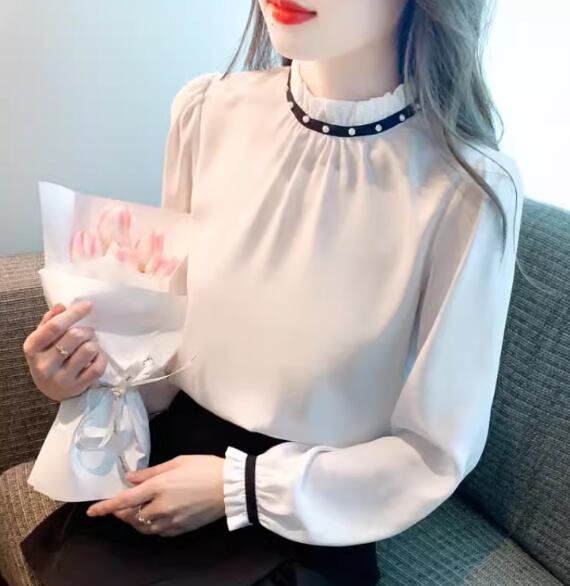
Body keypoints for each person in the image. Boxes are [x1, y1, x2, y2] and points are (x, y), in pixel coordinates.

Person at [19, 0, 526, 584]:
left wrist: (238, 487)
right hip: (162, 472)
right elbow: (163, 348)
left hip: (315, 508)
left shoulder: (467, 188)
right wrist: (84, 379)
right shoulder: (206, 112)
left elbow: (434, 451)